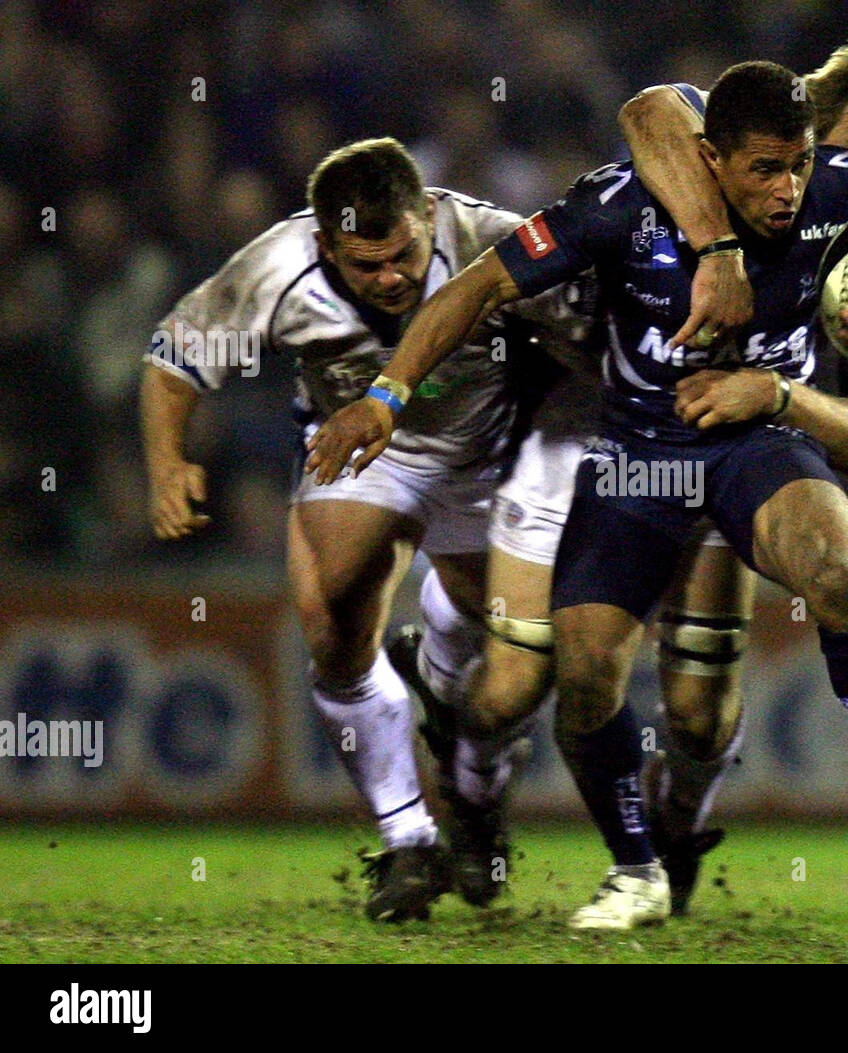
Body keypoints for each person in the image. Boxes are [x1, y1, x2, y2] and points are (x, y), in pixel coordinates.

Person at [305, 61, 848, 931]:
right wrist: (385, 394)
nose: (788, 190)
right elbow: (477, 286)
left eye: (799, 165)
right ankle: (632, 867)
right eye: (765, 170)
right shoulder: (623, 210)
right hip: (636, 454)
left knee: (830, 575)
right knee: (585, 673)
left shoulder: (845, 184)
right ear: (711, 159)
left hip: (757, 440)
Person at [140, 137, 585, 922]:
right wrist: (168, 461)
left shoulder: (489, 240)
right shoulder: (282, 268)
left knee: (512, 664)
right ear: (323, 247)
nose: (390, 278)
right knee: (332, 617)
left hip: (494, 454)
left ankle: (473, 790)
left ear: (430, 214)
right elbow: (175, 353)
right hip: (359, 449)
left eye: (403, 255)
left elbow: (599, 332)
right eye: (364, 264)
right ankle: (407, 839)